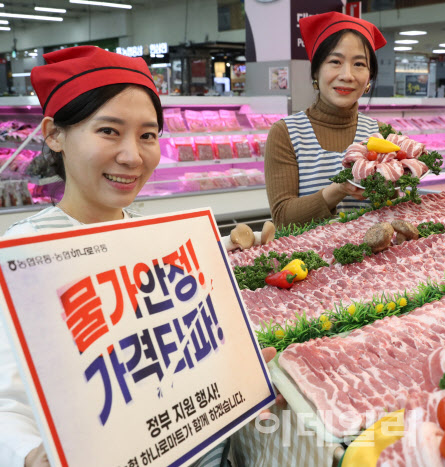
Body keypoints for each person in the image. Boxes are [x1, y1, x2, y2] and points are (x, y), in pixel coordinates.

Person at [0, 46, 279, 467]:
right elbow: (8, 403)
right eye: (109, 131)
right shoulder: (27, 258)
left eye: (147, 135)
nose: (132, 156)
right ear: (54, 134)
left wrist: (237, 365)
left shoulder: (153, 239)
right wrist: (29, 455)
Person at [264, 11, 386, 227]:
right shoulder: (287, 133)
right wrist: (339, 188)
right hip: (307, 260)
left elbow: (399, 207)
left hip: (375, 258)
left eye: (359, 64)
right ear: (316, 72)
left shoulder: (383, 134)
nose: (347, 75)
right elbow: (282, 218)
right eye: (335, 61)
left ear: (369, 77)